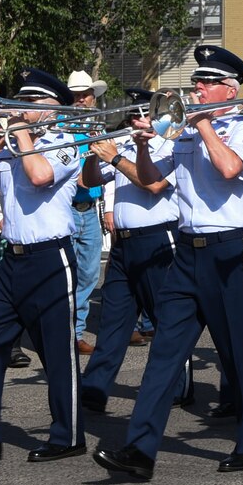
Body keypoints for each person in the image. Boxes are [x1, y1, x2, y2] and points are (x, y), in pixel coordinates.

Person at [93, 45, 243, 481]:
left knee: (237, 353)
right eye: (196, 82)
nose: (196, 89)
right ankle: (140, 449)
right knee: (164, 354)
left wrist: (204, 125)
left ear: (229, 88)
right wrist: (142, 147)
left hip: (229, 248)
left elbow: (229, 170)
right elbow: (152, 181)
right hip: (187, 252)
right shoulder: (184, 132)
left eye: (205, 84)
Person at [0, 69, 94, 464]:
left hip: (51, 258)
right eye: (19, 102)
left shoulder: (67, 144)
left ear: (54, 109)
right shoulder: (8, 150)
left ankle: (68, 434)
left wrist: (19, 133)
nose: (20, 110)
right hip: (12, 258)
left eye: (32, 104)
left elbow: (40, 177)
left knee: (56, 352)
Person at [81, 93, 181, 415]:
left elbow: (153, 185)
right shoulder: (123, 145)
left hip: (157, 239)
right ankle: (95, 388)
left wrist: (114, 158)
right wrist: (93, 154)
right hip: (124, 244)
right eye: (134, 115)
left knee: (166, 319)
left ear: (160, 118)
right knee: (113, 319)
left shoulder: (170, 148)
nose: (136, 121)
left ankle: (179, 385)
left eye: (143, 115)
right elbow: (88, 182)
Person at [64, 72, 108, 354]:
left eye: (86, 94)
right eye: (77, 95)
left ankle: (76, 332)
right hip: (66, 209)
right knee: (66, 276)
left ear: (93, 96)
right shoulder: (60, 127)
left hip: (89, 208)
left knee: (90, 275)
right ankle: (64, 331)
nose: (82, 99)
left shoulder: (99, 128)